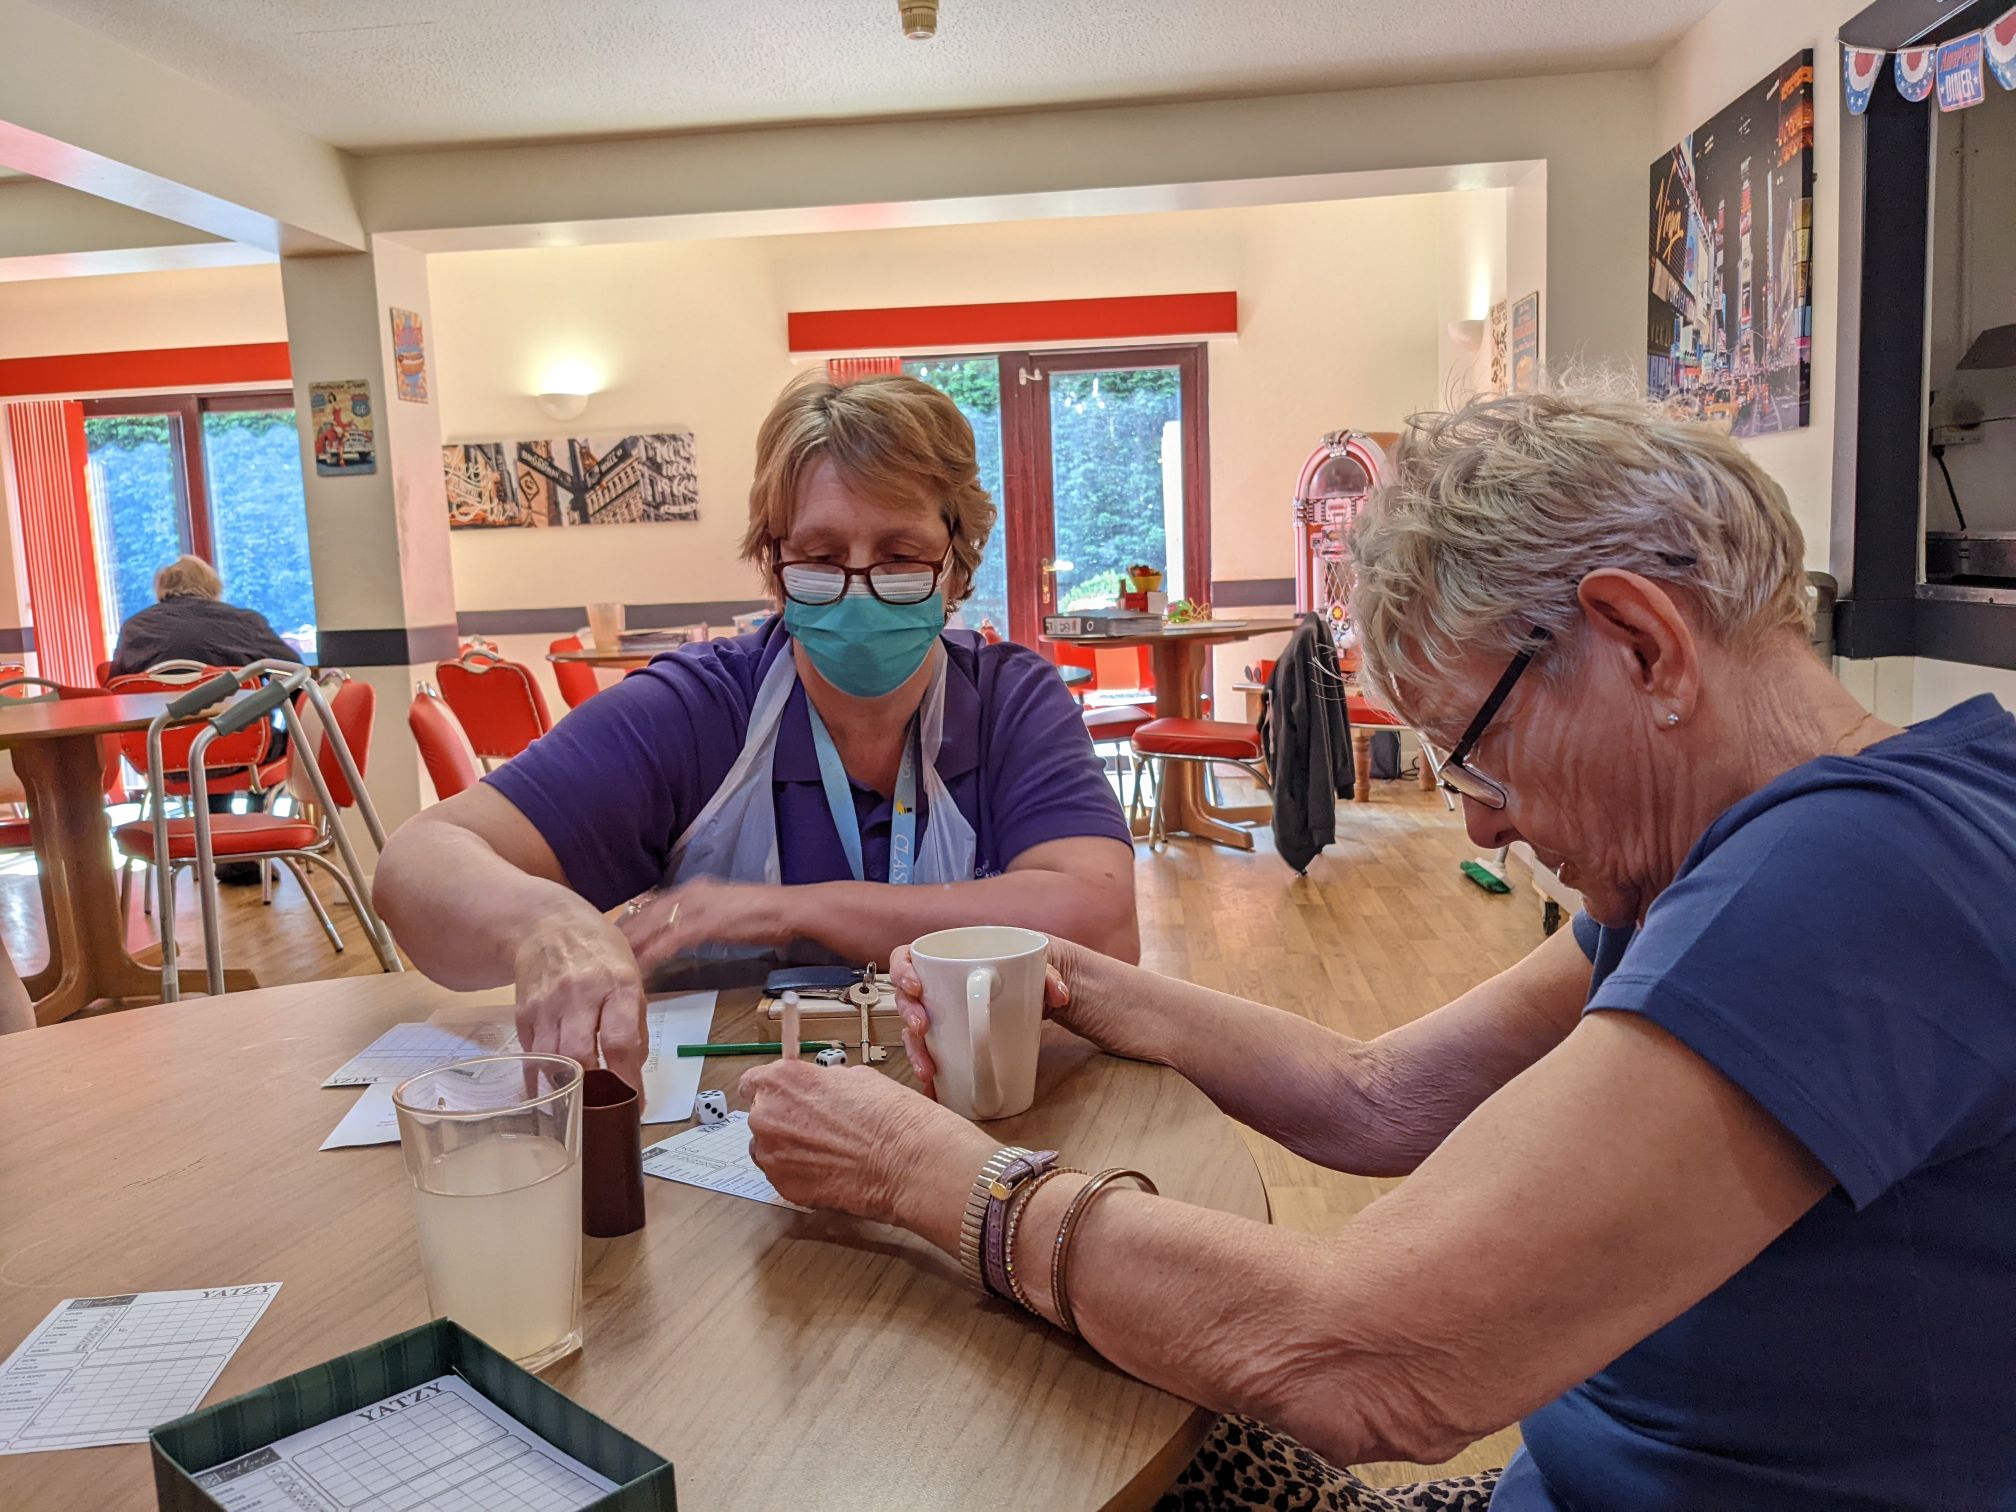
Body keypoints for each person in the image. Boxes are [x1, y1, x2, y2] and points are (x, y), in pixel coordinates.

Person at [737, 390, 2016, 1511]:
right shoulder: (1768, 851)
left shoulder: (1848, 878)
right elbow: (1381, 1095)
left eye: (1474, 752)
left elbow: (1366, 1366)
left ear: (1641, 643)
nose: (1480, 822)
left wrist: (922, 1169)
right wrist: (1076, 980)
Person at [376, 373, 1137, 1088]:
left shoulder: (1009, 702)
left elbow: (1100, 929)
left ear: (957, 568)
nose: (858, 589)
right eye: (821, 557)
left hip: (976, 1097)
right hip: (730, 1112)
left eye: (901, 556)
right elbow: (419, 863)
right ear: (776, 567)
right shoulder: (697, 710)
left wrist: (786, 909)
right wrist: (544, 924)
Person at [107, 554, 299, 679]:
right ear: (214, 587)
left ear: (160, 589)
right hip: (238, 729)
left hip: (156, 729)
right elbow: (296, 673)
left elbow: (117, 687)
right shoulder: (245, 623)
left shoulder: (133, 628)